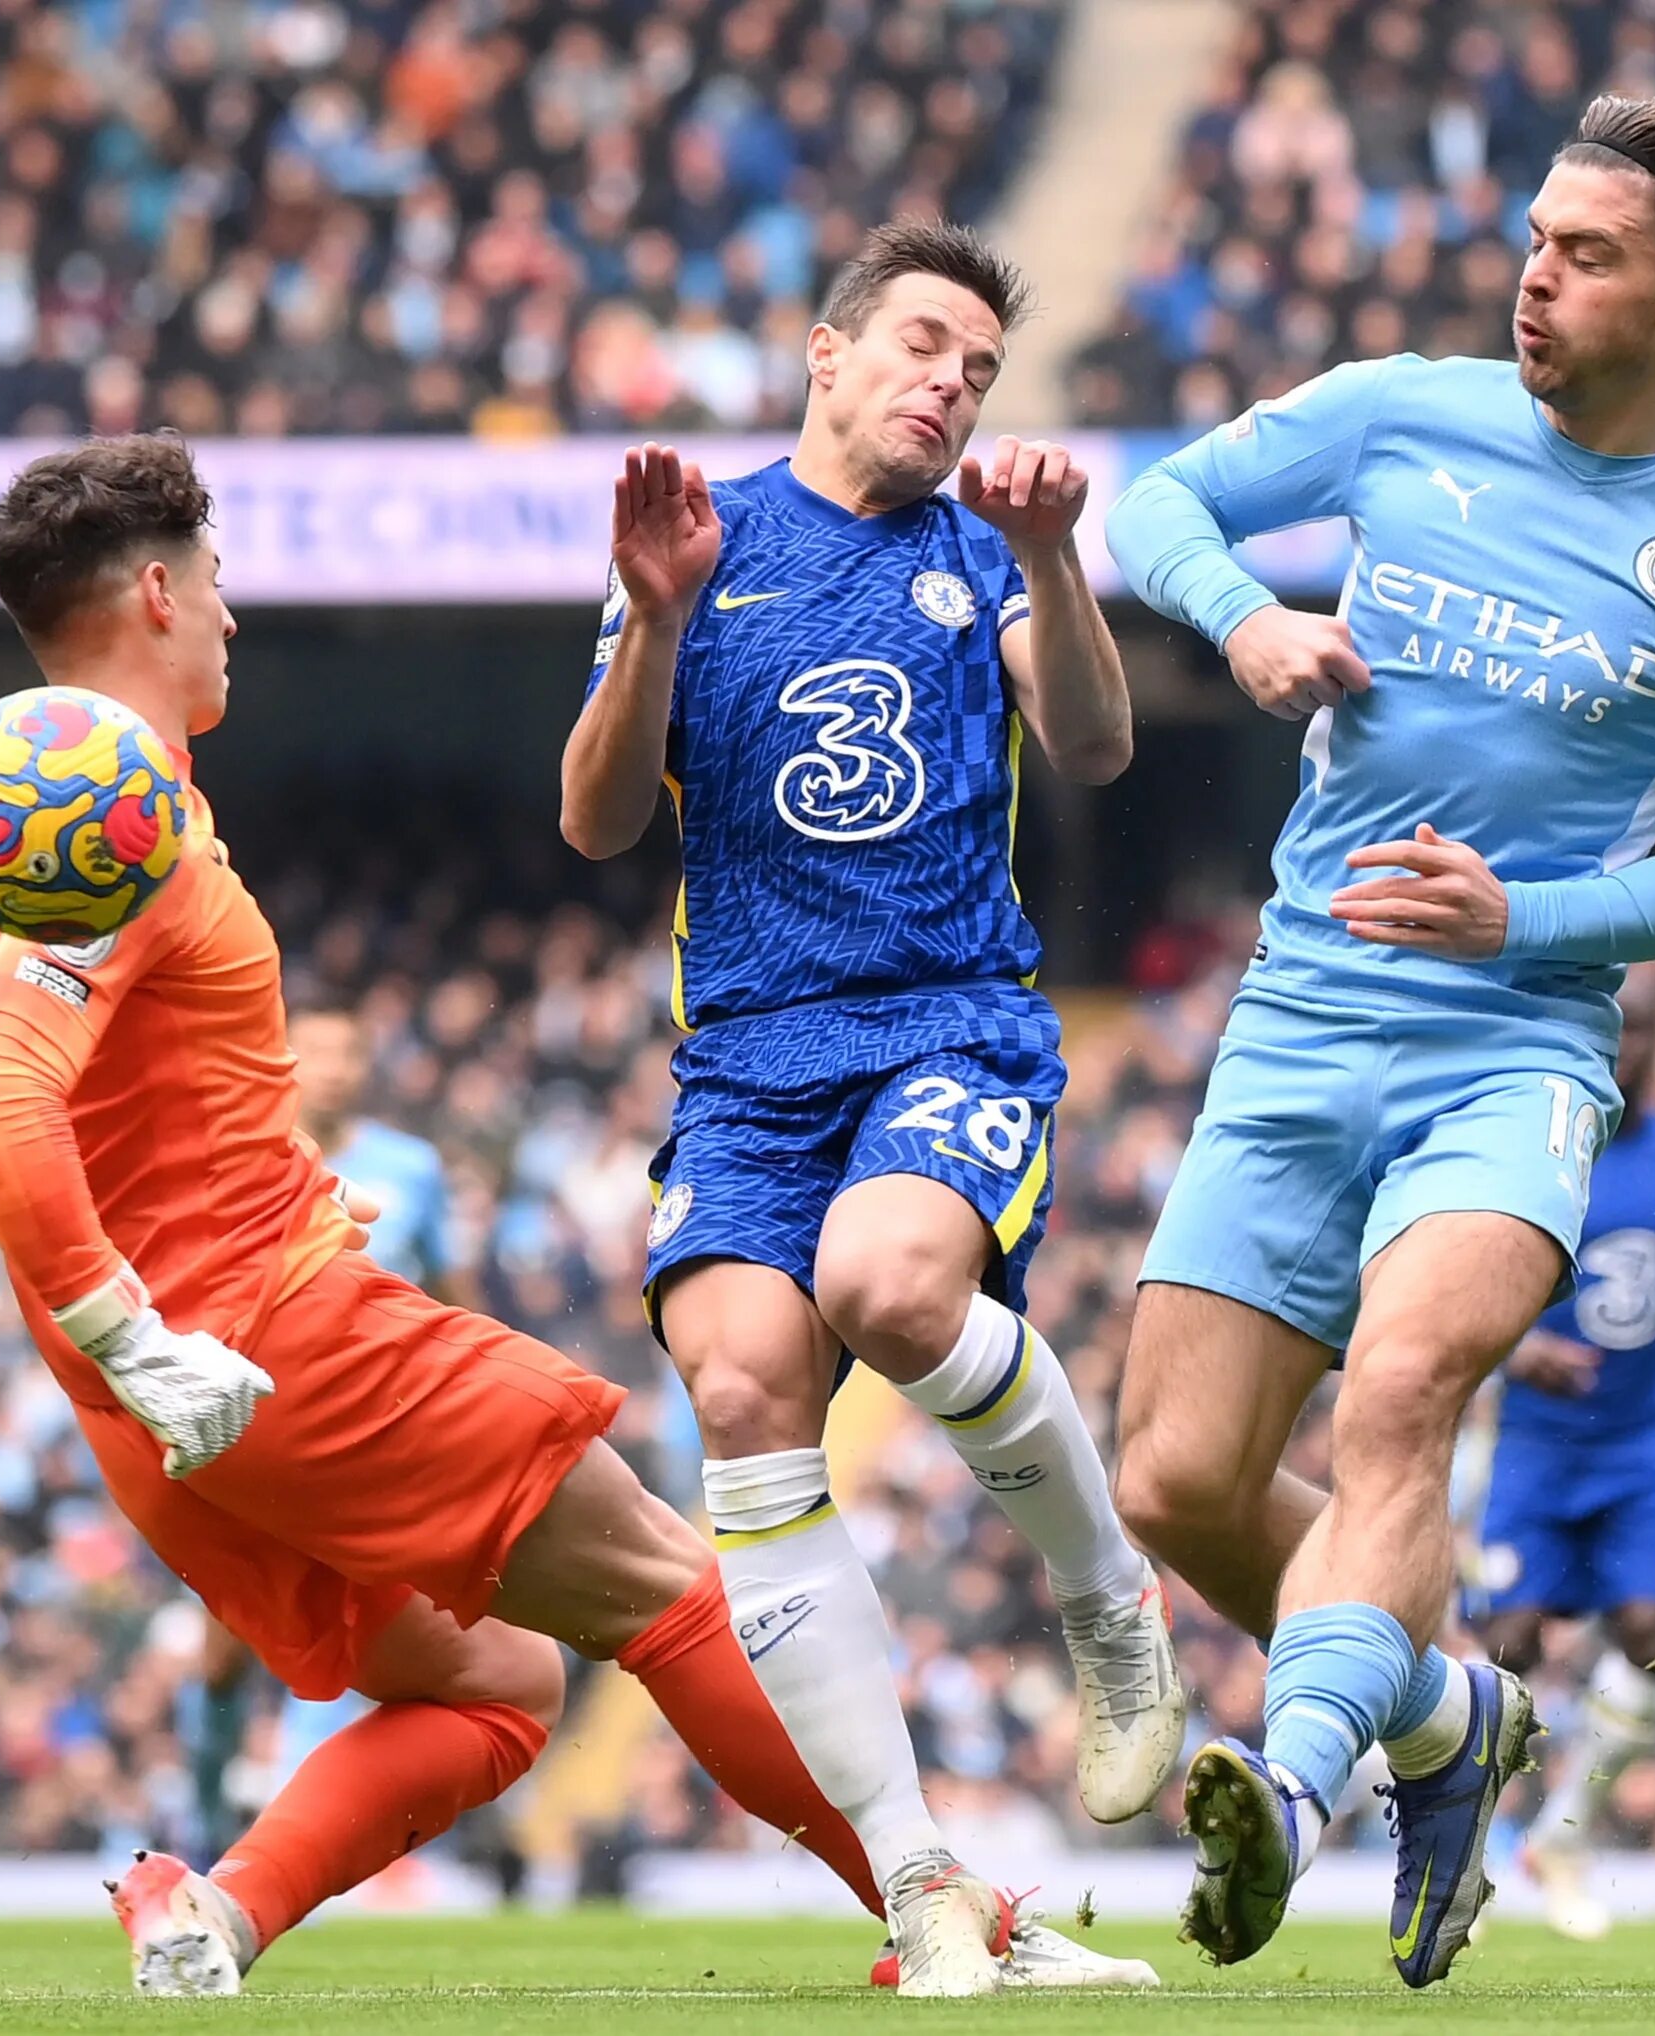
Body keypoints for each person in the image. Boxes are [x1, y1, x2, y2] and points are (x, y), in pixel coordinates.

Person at [0, 434, 1128, 1998]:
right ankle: (946, 1915)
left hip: (152, 1405)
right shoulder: (109, 801)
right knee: (680, 1584)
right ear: (154, 589)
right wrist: (141, 1318)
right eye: (214, 581)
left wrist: (170, 1256)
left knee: (494, 1688)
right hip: (262, 1343)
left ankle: (213, 1913)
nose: (230, 616)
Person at [1103, 94, 1655, 1985]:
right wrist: (1239, 627)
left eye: (1582, 257)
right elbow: (1158, 501)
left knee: (1401, 1395)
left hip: (1509, 1047)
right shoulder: (1397, 408)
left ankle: (1289, 1784)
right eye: (1530, 239)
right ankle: (1446, 1722)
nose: (1532, 278)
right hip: (1297, 1013)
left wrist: (1527, 921)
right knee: (1174, 1481)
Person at [559, 217, 1177, 1991]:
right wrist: (654, 622)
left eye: (976, 369)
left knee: (888, 1289)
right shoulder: (697, 538)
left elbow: (1096, 745)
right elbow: (598, 819)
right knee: (742, 1386)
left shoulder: (972, 550)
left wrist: (1053, 565)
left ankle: (1105, 1598)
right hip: (747, 1056)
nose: (948, 383)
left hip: (945, 1025)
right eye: (921, 344)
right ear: (824, 355)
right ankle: (916, 1878)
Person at [1474, 1022, 1655, 1940]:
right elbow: (1457, 1281)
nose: (1616, 1055)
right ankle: (1466, 1849)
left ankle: (1565, 1833)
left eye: (1633, 1038)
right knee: (1505, 1647)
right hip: (1536, 1447)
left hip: (1643, 1444)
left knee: (1653, 1632)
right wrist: (1512, 1348)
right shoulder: (1523, 1152)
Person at [191, 1005, 455, 1863]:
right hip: (254, 1419)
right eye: (320, 1051)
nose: (335, 1068)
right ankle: (210, 1792)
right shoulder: (237, 1153)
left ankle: (294, 1834)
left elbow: (449, 1291)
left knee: (354, 1621)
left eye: (351, 1051)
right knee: (225, 1644)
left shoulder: (411, 1168)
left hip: (379, 1421)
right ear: (284, 1060)